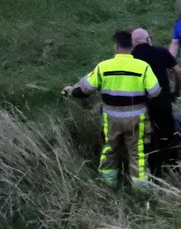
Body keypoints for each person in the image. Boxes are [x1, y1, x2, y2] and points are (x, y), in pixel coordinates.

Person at [63, 29, 161, 189]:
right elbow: (155, 92)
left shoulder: (104, 67)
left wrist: (70, 90)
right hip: (137, 120)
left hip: (112, 120)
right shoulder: (143, 67)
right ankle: (141, 192)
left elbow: (84, 89)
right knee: (138, 154)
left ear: (116, 46)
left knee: (109, 151)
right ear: (131, 46)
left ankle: (109, 187)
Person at [130, 27, 181, 174]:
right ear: (148, 40)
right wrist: (176, 91)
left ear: (133, 43)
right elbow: (178, 71)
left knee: (148, 136)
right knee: (168, 132)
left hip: (141, 103)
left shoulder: (131, 58)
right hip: (163, 100)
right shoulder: (161, 52)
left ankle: (154, 169)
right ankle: (173, 166)